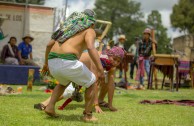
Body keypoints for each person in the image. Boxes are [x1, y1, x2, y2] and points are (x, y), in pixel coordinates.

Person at [41, 9, 105, 121]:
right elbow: (91, 47)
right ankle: (88, 115)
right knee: (92, 82)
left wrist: (46, 64)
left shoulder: (67, 28)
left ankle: (50, 107)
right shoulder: (89, 30)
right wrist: (100, 69)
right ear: (92, 22)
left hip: (52, 61)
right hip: (67, 61)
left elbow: (48, 45)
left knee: (63, 83)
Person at [34, 46, 124, 113]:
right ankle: (45, 104)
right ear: (109, 55)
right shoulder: (98, 58)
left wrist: (110, 105)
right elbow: (95, 83)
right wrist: (95, 105)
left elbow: (111, 85)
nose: (115, 62)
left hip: (79, 71)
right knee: (68, 91)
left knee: (105, 81)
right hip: (73, 67)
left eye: (118, 61)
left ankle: (100, 101)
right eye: (114, 59)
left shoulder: (111, 65)